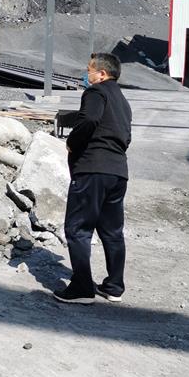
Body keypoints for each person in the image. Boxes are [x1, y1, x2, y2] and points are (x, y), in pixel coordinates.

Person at [54, 52, 132, 305]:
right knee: (112, 231)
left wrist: (72, 143)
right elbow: (126, 137)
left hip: (92, 170)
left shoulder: (96, 92)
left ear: (102, 74)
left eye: (89, 69)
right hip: (118, 172)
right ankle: (114, 287)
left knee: (77, 228)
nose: (86, 74)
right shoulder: (123, 101)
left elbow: (89, 119)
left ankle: (81, 288)